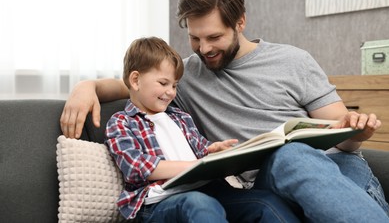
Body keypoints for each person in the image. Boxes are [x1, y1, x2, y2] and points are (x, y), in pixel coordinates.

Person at [61, 0, 389, 222]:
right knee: (284, 163)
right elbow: (133, 84)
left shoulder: (294, 61)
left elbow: (342, 137)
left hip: (336, 171)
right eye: (194, 38)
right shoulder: (185, 75)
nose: (204, 49)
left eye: (214, 37)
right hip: (266, 182)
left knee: (293, 154)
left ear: (240, 23)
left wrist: (356, 132)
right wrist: (86, 86)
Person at [105, 36, 300, 222]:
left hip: (207, 189)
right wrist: (192, 167)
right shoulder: (122, 122)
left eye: (174, 85)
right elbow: (136, 166)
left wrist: (213, 151)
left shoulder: (180, 117)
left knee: (265, 202)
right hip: (161, 201)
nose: (170, 92)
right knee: (199, 204)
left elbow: (200, 148)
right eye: (164, 83)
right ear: (136, 80)